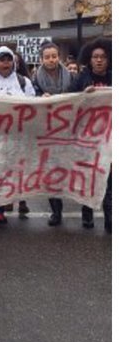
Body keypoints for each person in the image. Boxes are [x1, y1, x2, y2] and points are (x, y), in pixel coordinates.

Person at [0, 46, 36, 226]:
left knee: (10, 172)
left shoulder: (23, 82)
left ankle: (8, 200)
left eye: (9, 59)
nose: (6, 63)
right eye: (2, 60)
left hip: (15, 138)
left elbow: (33, 105)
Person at [32, 42, 76, 226]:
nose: (51, 60)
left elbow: (79, 96)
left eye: (54, 56)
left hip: (68, 128)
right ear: (41, 59)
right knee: (51, 170)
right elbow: (29, 100)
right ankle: (55, 211)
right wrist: (39, 97)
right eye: (47, 57)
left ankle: (86, 210)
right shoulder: (35, 79)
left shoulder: (72, 77)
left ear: (59, 57)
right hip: (47, 130)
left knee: (70, 168)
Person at [73, 38, 112, 232]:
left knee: (110, 179)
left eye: (103, 57)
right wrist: (83, 95)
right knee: (89, 176)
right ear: (89, 59)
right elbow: (68, 102)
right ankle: (87, 214)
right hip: (87, 138)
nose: (99, 60)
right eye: (95, 57)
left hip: (110, 138)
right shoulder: (81, 79)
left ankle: (110, 218)